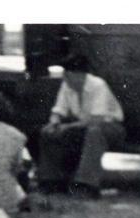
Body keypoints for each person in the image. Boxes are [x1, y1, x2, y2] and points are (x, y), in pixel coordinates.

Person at [36, 53, 124, 198]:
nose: (65, 77)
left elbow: (96, 119)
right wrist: (54, 122)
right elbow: (59, 110)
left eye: (68, 73)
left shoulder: (98, 85)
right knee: (47, 132)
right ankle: (51, 181)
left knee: (94, 133)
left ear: (78, 74)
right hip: (82, 127)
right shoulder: (67, 85)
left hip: (111, 127)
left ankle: (86, 185)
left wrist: (67, 127)